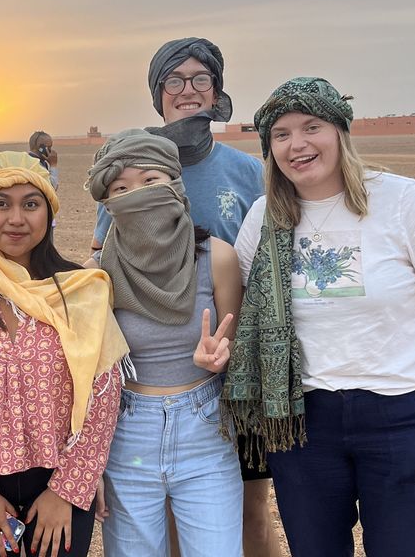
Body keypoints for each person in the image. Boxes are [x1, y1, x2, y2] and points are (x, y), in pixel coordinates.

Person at [223, 77, 415, 556]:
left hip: (400, 412)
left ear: (341, 132)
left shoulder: (401, 201)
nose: (296, 145)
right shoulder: (264, 216)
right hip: (302, 421)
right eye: (280, 134)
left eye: (311, 126)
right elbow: (242, 315)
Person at [89, 37, 280, 557]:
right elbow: (107, 262)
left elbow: (266, 271)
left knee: (249, 514)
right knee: (168, 518)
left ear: (217, 91)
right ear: (159, 94)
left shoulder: (246, 173)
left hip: (231, 378)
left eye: (200, 79)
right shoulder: (132, 168)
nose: (188, 90)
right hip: (148, 395)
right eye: (174, 80)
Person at [0, 152, 128, 557]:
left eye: (31, 204)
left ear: (48, 214)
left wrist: (66, 490)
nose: (16, 218)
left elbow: (102, 394)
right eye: (1, 204)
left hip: (59, 488)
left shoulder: (78, 291)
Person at [85, 130, 244, 556]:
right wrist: (89, 463)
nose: (136, 195)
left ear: (175, 182)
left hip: (207, 431)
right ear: (108, 201)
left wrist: (219, 361)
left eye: (150, 180)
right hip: (127, 436)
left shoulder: (219, 258)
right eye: (120, 188)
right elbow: (90, 376)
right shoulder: (97, 273)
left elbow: (237, 353)